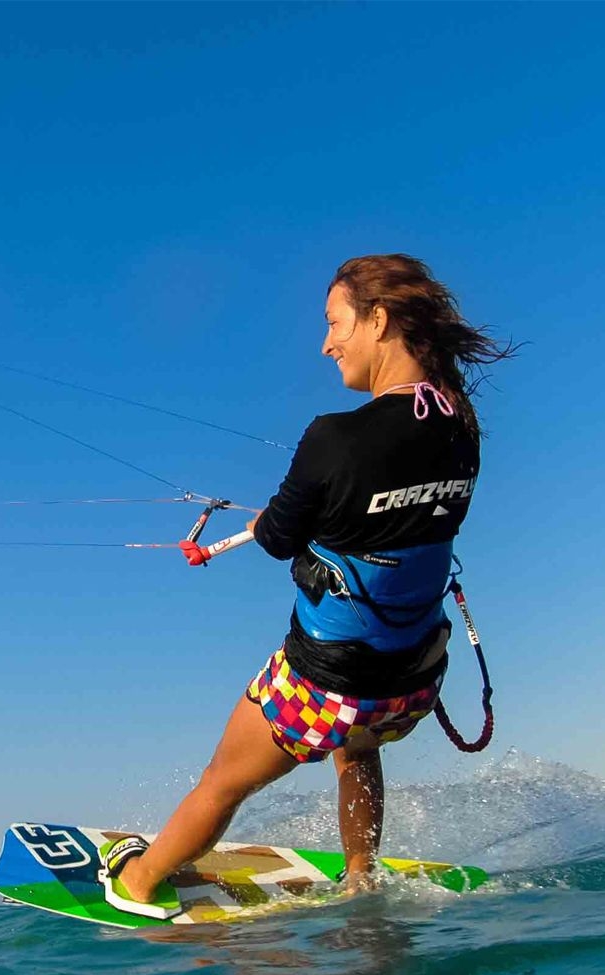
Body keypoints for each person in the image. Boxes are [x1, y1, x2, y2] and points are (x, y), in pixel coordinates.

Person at [100, 254, 511, 920]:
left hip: (328, 685)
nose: (326, 343)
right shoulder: (461, 425)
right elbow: (390, 509)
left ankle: (140, 884)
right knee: (357, 749)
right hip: (411, 684)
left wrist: (284, 515)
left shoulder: (333, 437)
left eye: (334, 322)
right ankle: (358, 875)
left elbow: (278, 538)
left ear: (378, 320)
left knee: (221, 783)